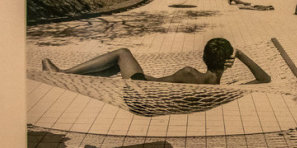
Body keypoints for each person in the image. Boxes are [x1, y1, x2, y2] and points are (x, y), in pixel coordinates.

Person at [41, 37, 271, 85]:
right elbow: (264, 79)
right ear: (227, 62)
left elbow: (155, 84)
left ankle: (62, 75)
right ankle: (65, 76)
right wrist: (239, 55)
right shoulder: (222, 90)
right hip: (149, 96)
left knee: (122, 53)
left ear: (204, 57)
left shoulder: (190, 73)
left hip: (142, 94)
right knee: (111, 70)